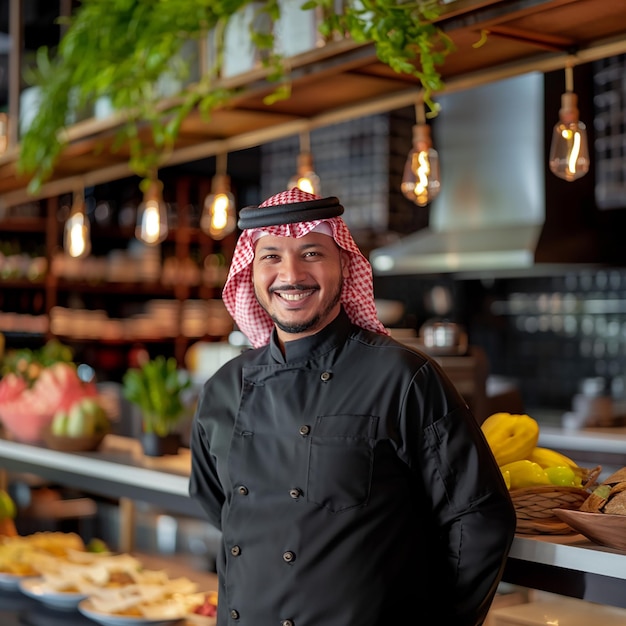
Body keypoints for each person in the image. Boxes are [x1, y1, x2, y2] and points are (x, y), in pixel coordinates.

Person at [189, 188, 516, 626]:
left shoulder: (403, 377)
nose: (290, 273)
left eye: (311, 253)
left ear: (344, 263)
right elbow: (217, 503)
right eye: (271, 256)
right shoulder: (223, 388)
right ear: (249, 270)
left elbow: (478, 518)